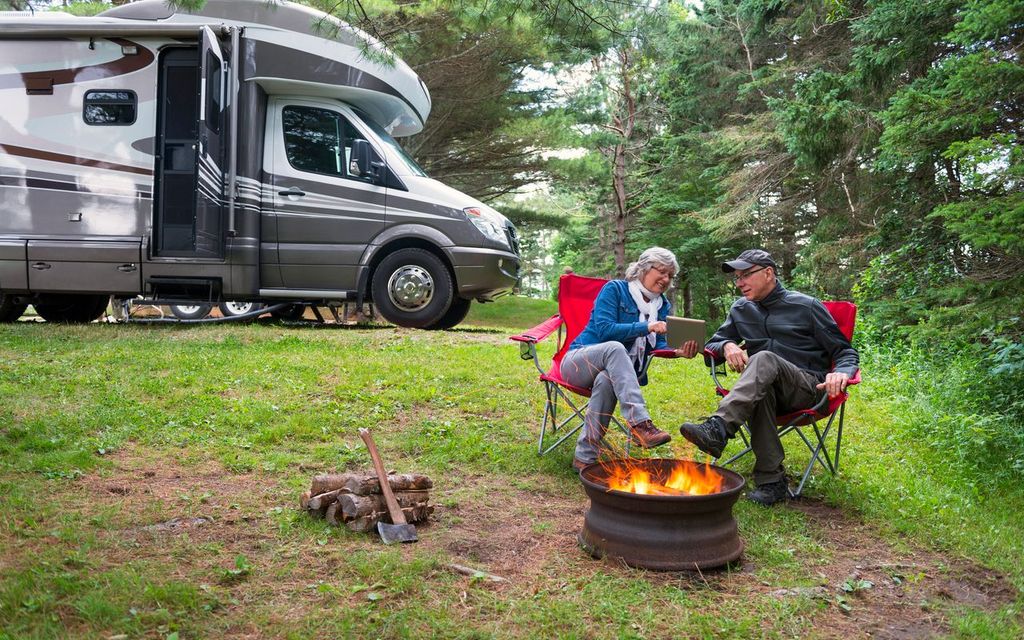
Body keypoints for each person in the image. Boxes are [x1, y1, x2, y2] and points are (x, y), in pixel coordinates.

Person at [678, 249, 859, 505]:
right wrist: (728, 344)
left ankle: (718, 428)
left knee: (762, 358)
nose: (739, 283)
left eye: (745, 275)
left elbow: (845, 351)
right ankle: (771, 482)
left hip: (807, 389)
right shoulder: (741, 309)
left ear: (768, 273)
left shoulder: (806, 306)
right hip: (762, 389)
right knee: (761, 388)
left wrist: (841, 373)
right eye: (737, 278)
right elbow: (714, 345)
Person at [561, 247, 698, 472]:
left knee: (607, 380)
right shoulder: (615, 289)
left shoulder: (661, 305)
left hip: (613, 373)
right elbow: (604, 330)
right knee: (615, 348)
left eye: (670, 276)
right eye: (662, 272)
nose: (666, 279)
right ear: (644, 268)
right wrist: (646, 326)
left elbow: (659, 344)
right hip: (578, 363)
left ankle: (584, 458)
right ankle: (640, 424)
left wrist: (677, 352)